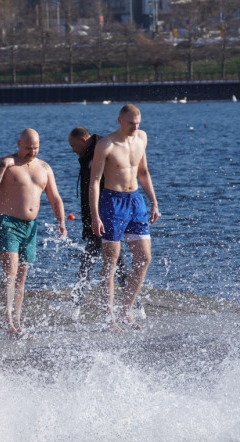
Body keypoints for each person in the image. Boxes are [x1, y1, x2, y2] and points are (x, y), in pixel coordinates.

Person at [0, 128, 67, 336]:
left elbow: (54, 197)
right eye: (28, 148)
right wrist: (2, 166)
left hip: (30, 226)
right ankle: (8, 322)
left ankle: (17, 322)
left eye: (35, 148)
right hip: (6, 222)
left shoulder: (45, 168)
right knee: (10, 271)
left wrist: (61, 222)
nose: (32, 152)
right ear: (18, 144)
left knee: (21, 276)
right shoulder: (6, 164)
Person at [89, 104, 161, 332]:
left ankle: (125, 310)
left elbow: (143, 172)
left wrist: (154, 202)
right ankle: (109, 317)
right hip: (112, 202)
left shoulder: (142, 138)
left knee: (144, 257)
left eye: (138, 123)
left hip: (135, 200)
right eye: (131, 123)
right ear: (120, 120)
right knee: (111, 260)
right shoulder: (106, 145)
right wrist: (95, 216)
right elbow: (94, 182)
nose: (135, 127)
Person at [68, 127, 139, 321]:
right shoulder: (88, 154)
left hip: (104, 214)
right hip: (97, 216)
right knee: (112, 259)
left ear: (84, 140)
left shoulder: (101, 149)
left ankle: (76, 304)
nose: (72, 150)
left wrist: (97, 217)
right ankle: (135, 305)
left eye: (73, 145)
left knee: (97, 260)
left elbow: (101, 186)